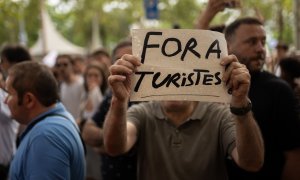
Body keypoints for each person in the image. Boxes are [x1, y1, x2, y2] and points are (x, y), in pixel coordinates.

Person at [103, 51, 264, 180]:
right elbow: (114, 147)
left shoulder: (219, 115)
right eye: (167, 75)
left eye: (181, 75)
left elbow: (252, 163)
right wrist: (119, 100)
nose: (174, 82)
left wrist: (241, 105)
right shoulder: (143, 112)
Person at [224, 17, 300, 180]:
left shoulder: (278, 89)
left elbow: (293, 154)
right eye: (252, 42)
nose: (260, 49)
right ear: (227, 47)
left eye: (262, 41)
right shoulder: (212, 87)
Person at [6, 61, 85, 180]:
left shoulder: (46, 136)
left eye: (9, 94)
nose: (5, 101)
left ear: (28, 100)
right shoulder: (53, 124)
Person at [81, 40, 137, 180]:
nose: (126, 65)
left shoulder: (153, 98)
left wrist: (107, 142)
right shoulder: (111, 95)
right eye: (120, 60)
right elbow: (87, 132)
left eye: (131, 59)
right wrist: (111, 139)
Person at [0, 44, 32, 180]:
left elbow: (9, 114)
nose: (1, 65)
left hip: (8, 160)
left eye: (3, 61)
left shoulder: (23, 87)